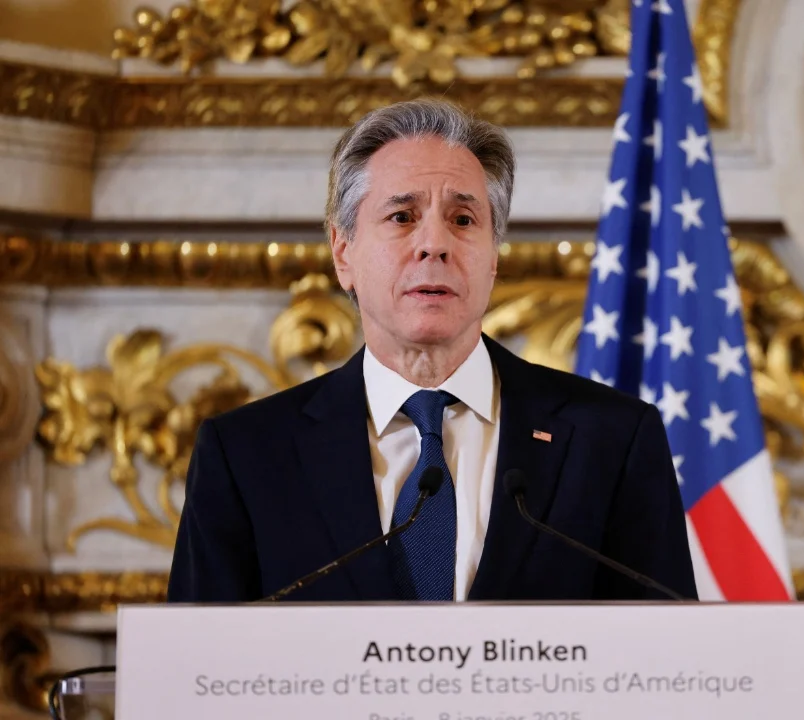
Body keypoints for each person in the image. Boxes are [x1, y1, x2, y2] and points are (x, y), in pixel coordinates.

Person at [167, 98, 697, 603]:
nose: (435, 244)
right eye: (402, 217)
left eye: (463, 220)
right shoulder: (246, 456)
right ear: (343, 252)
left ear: (493, 257)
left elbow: (664, 653)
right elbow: (197, 658)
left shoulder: (611, 440)